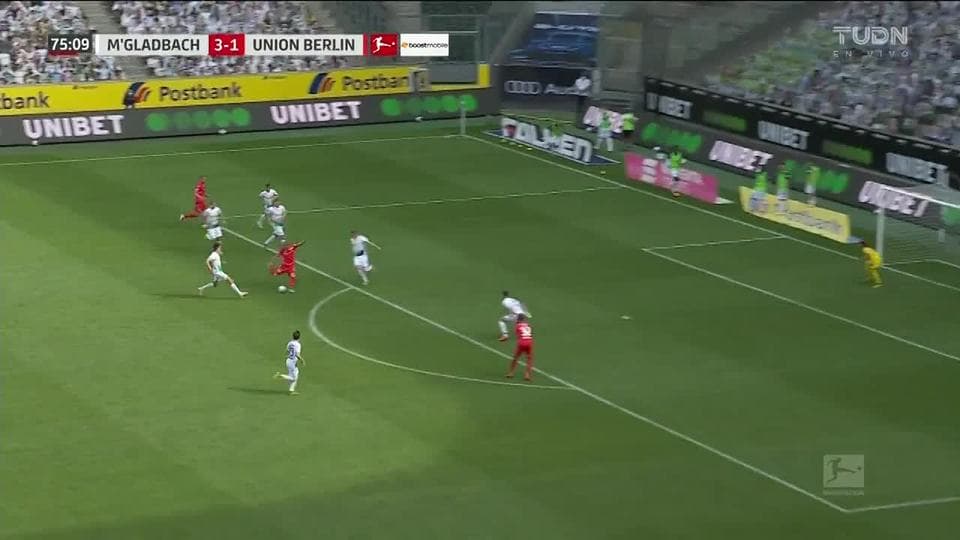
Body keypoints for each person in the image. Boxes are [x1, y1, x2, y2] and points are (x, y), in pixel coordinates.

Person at [505, 314, 535, 382]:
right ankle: (527, 374)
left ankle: (511, 373)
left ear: (518, 319)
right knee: (529, 358)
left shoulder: (517, 326)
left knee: (516, 357)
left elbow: (518, 334)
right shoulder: (528, 325)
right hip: (529, 342)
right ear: (524, 319)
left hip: (522, 342)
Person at [273, 330, 304, 395]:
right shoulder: (298, 345)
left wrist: (288, 355)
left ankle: (291, 391)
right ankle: (280, 375)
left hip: (288, 360)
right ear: (299, 337)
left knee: (292, 375)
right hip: (293, 362)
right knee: (294, 378)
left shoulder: (290, 343)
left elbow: (287, 351)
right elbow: (297, 354)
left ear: (293, 336)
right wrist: (302, 360)